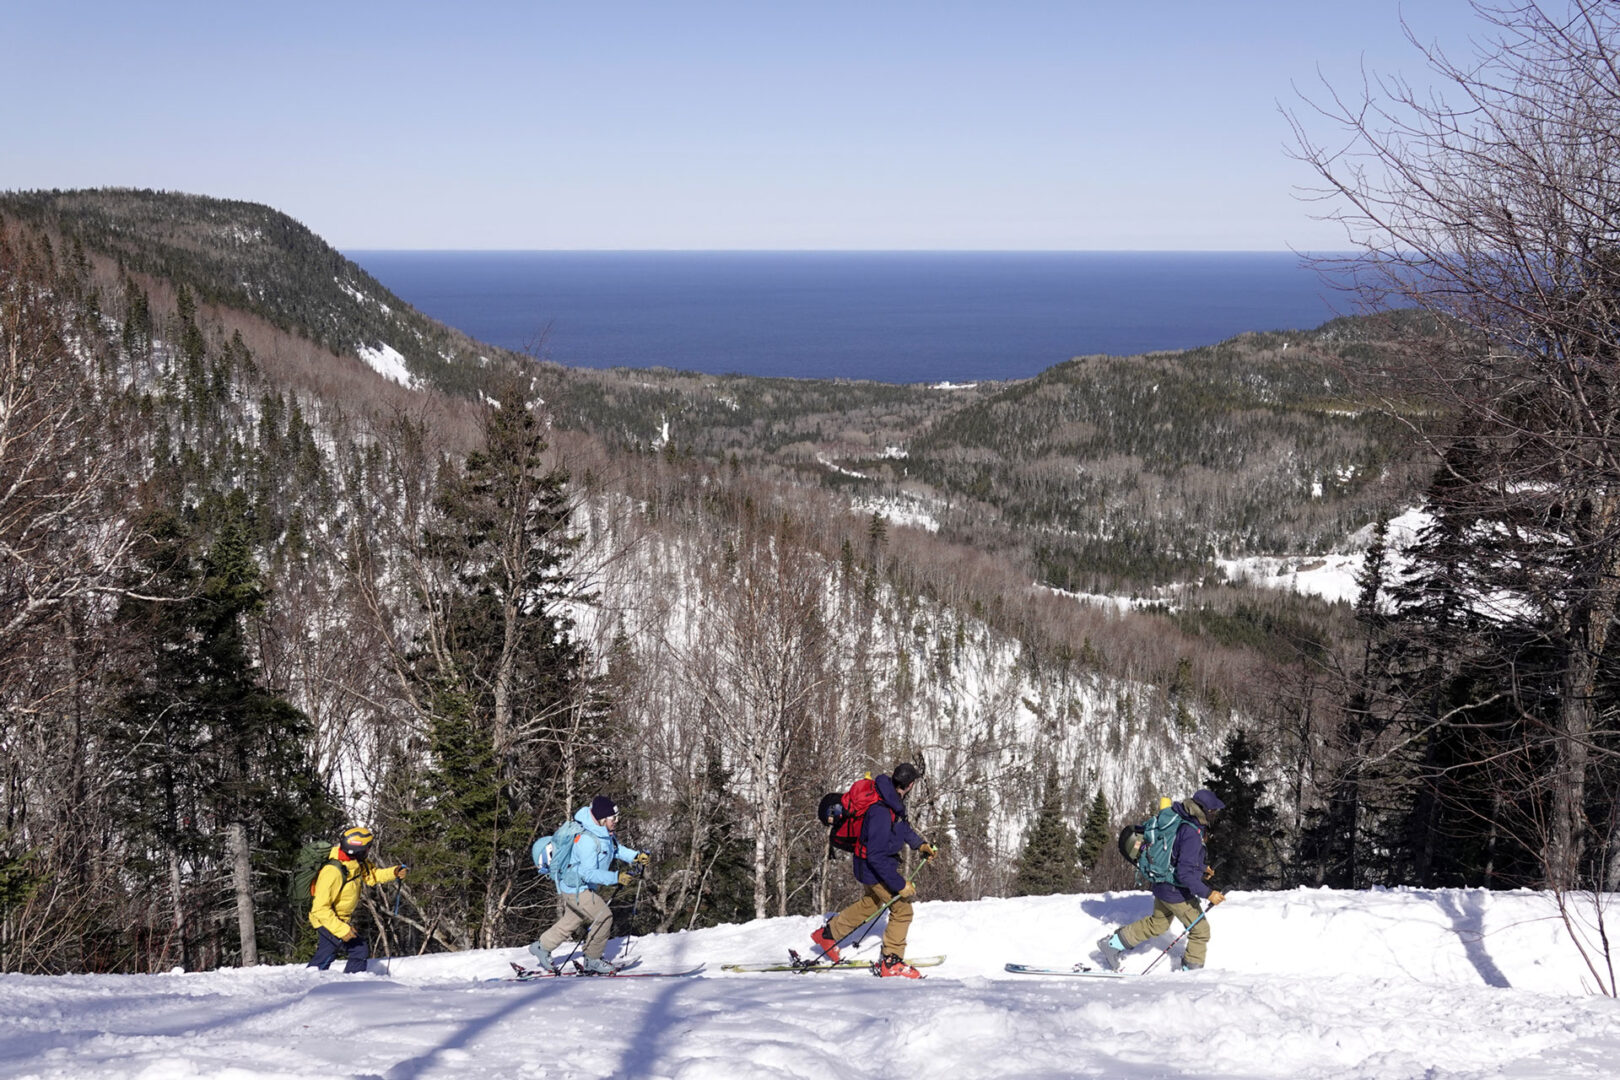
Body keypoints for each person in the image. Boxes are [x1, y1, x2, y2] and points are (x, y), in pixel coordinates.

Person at [809, 762, 937, 978]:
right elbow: (875, 856)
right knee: (902, 910)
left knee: (871, 902)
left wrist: (920, 844)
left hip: (865, 864)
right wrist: (899, 885)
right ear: (911, 785)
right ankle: (891, 961)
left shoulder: (889, 799)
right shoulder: (882, 811)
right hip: (872, 867)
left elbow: (901, 826)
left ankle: (829, 934)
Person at [1097, 788, 1226, 971]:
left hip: (1162, 884)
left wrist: (1202, 868)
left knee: (1157, 924)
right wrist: (1208, 893)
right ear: (1203, 810)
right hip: (1176, 892)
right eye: (1213, 811)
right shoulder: (1191, 832)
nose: (1215, 814)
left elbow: (1178, 857)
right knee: (1200, 931)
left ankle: (1112, 944)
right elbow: (1184, 874)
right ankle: (1191, 973)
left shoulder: (1180, 817)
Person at [528, 796, 649, 975]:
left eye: (617, 817)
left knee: (571, 921)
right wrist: (616, 877)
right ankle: (592, 959)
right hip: (577, 887)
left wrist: (635, 856)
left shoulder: (603, 833)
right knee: (604, 917)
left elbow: (615, 849)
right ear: (601, 819)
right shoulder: (587, 840)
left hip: (575, 886)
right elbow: (588, 872)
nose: (616, 821)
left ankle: (541, 947)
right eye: (613, 818)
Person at [307, 826, 408, 973]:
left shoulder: (355, 863)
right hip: (327, 920)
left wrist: (394, 872)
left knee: (325, 955)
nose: (369, 851)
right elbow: (319, 908)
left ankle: (310, 983)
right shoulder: (333, 872)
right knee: (359, 950)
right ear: (357, 849)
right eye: (367, 848)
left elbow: (372, 876)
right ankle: (351, 986)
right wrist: (342, 930)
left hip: (337, 919)